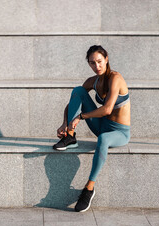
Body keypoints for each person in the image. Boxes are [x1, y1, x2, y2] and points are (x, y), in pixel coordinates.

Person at [53, 45, 131, 212]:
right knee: (78, 90)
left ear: (106, 59)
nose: (97, 66)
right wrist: (65, 123)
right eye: (92, 63)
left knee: (103, 139)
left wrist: (81, 117)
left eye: (99, 61)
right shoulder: (93, 81)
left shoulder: (116, 78)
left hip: (119, 132)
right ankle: (70, 136)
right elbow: (75, 99)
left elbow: (108, 109)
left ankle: (89, 188)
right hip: (102, 126)